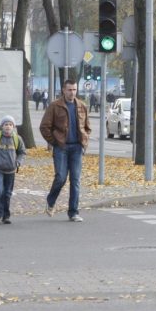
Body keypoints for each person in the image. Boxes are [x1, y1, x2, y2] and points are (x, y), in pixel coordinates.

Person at [40, 79, 91, 222]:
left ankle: (73, 212)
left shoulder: (81, 106)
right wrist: (54, 142)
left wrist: (84, 142)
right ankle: (51, 200)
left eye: (74, 90)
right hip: (61, 147)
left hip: (76, 147)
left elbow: (87, 127)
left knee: (75, 180)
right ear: (63, 90)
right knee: (61, 177)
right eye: (69, 90)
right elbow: (44, 127)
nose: (72, 93)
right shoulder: (55, 106)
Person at [0, 115, 26, 225]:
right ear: (2, 126)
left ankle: (6, 216)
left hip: (11, 169)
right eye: (6, 124)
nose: (8, 127)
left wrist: (18, 162)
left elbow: (22, 152)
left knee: (7, 193)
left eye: (10, 124)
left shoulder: (17, 138)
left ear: (13, 127)